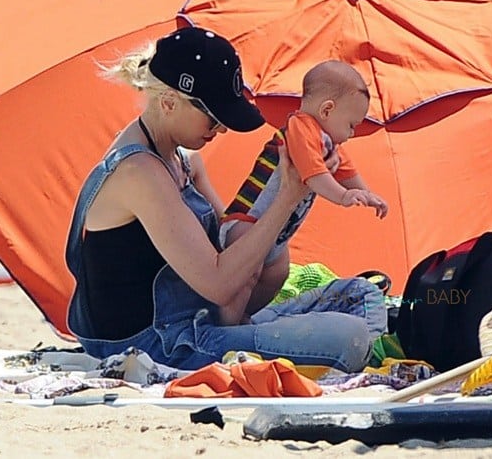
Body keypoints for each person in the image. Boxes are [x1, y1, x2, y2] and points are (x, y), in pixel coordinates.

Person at [65, 27, 385, 373]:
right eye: (215, 117)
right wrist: (287, 199)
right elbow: (220, 284)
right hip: (160, 345)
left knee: (360, 294)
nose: (221, 130)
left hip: (205, 321)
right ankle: (329, 354)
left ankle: (293, 348)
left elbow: (238, 254)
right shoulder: (138, 173)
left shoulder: (183, 160)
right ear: (169, 102)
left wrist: (278, 195)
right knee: (348, 336)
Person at [218, 60, 388, 320]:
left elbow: (347, 171)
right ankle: (225, 323)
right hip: (246, 223)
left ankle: (245, 316)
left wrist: (367, 194)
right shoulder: (301, 127)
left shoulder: (328, 143)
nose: (352, 134)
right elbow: (312, 174)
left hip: (276, 234)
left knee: (277, 273)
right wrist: (343, 196)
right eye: (351, 125)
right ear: (327, 109)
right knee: (247, 275)